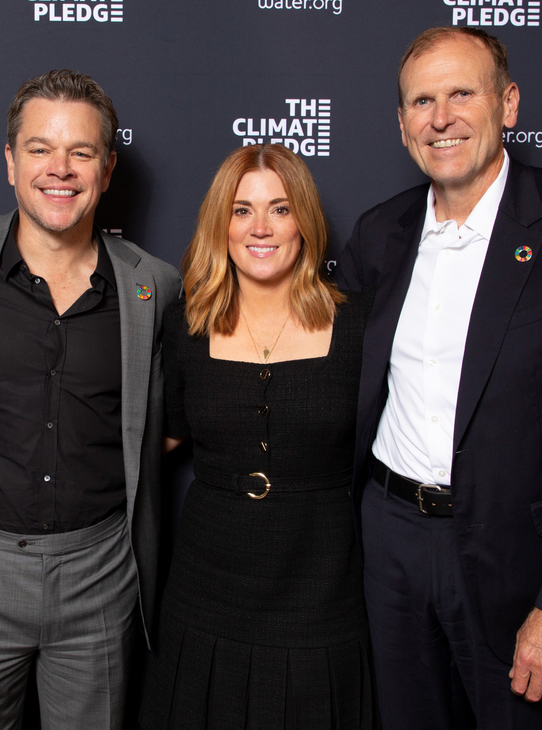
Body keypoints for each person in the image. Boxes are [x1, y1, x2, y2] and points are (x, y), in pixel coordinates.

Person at [336, 27, 542, 729]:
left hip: (519, 562)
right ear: (401, 124)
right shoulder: (379, 233)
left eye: (460, 94)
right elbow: (317, 366)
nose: (440, 117)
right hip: (389, 544)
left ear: (507, 104)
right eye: (422, 101)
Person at [0, 70, 181, 729]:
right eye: (39, 149)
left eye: (80, 152)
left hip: (101, 579)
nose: (60, 169)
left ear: (107, 169)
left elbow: (166, 423)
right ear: (9, 161)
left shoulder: (154, 288)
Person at [139, 143, 377, 729]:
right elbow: (152, 441)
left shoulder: (359, 325)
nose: (261, 228)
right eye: (242, 210)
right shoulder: (187, 321)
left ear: (306, 222)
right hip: (206, 589)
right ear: (221, 223)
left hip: (320, 589)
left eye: (280, 208)